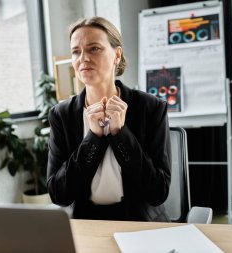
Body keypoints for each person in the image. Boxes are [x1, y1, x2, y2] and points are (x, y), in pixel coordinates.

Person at [47, 16, 171, 221]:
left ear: (116, 55)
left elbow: (157, 192)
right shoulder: (62, 115)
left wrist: (120, 134)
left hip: (139, 222)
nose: (83, 58)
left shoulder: (151, 108)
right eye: (76, 51)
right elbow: (59, 194)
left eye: (94, 48)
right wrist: (93, 138)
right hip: (87, 223)